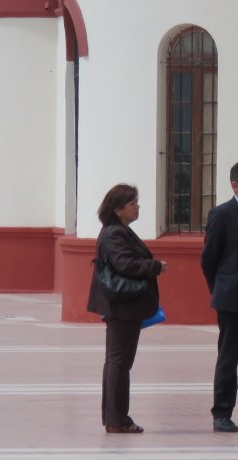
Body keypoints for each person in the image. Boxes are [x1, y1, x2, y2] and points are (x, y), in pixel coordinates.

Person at [86, 183, 169, 434]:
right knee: (119, 363)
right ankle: (116, 419)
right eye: (133, 203)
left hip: (123, 306)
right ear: (118, 209)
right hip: (122, 306)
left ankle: (115, 417)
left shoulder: (119, 230)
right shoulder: (115, 233)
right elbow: (124, 264)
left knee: (116, 362)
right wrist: (155, 266)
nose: (137, 207)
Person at [200, 160, 238, 433]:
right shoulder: (221, 214)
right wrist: (220, 287)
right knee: (229, 356)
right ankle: (222, 412)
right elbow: (208, 259)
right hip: (231, 298)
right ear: (235, 185)